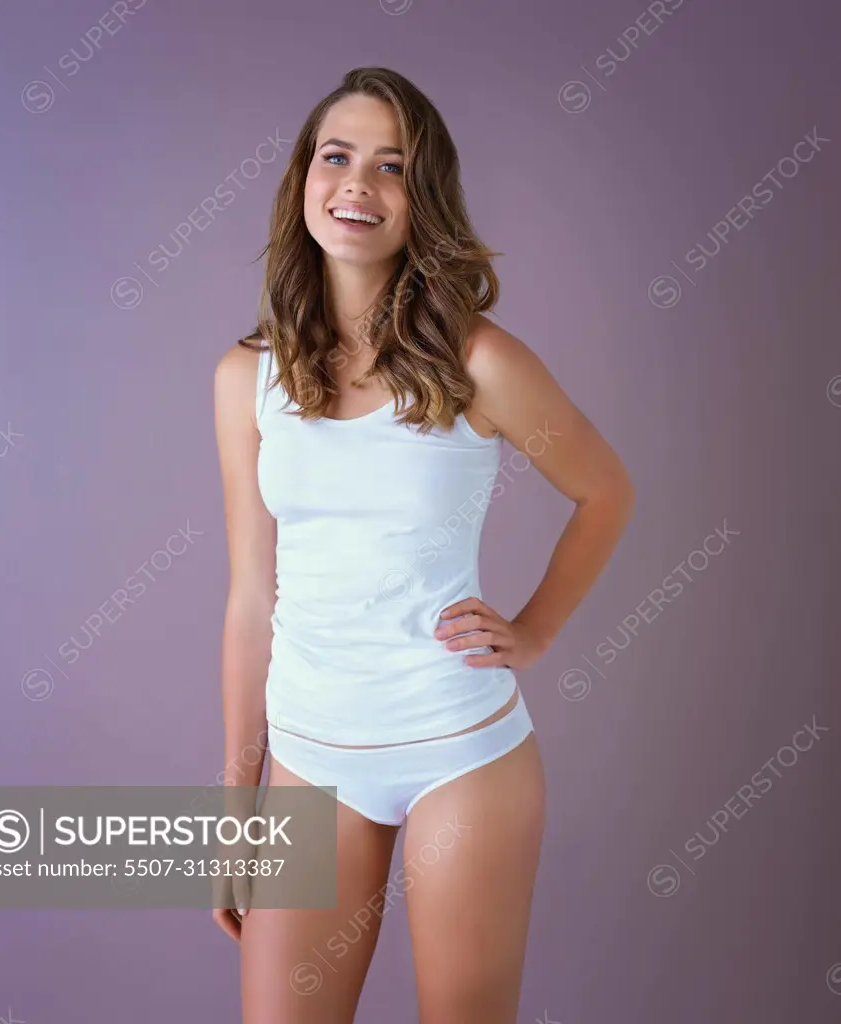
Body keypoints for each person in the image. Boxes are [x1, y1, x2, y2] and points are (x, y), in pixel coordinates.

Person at [212, 66, 634, 1024]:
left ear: (422, 201)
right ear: (303, 182)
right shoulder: (246, 379)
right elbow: (249, 599)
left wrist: (531, 632)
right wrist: (235, 814)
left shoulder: (478, 362)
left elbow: (604, 491)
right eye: (338, 156)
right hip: (312, 760)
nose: (358, 182)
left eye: (391, 166)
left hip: (458, 751)